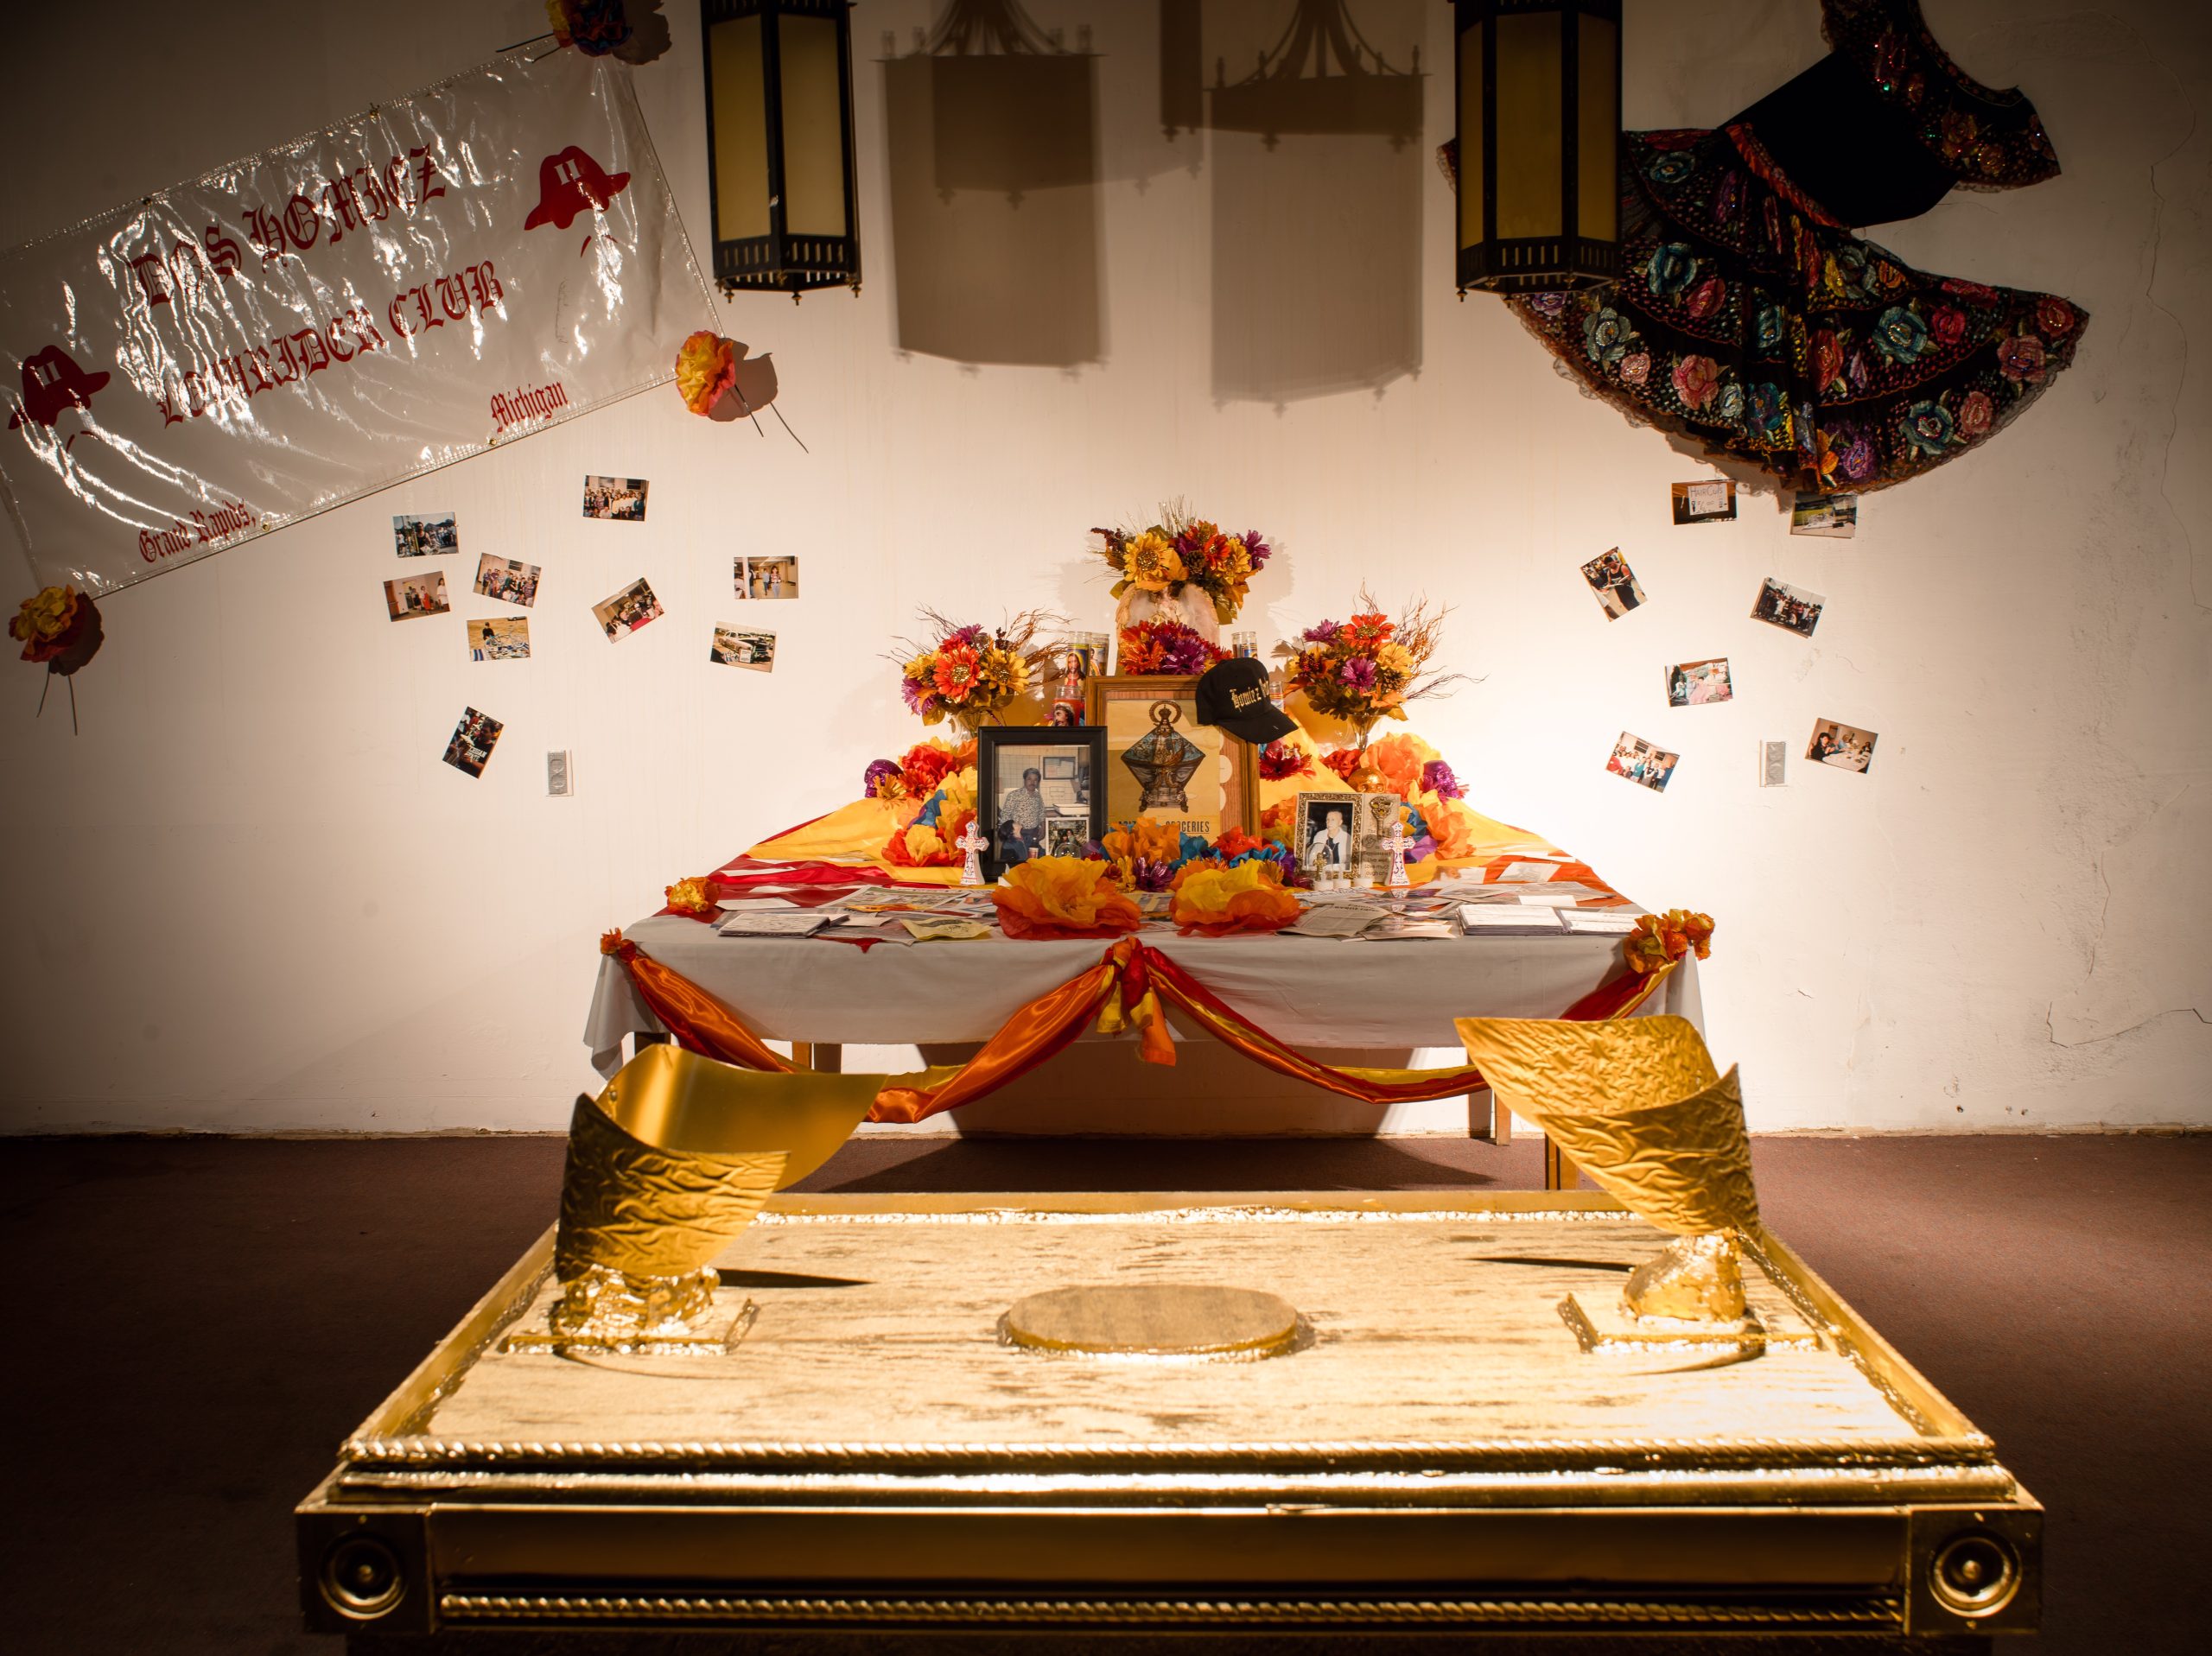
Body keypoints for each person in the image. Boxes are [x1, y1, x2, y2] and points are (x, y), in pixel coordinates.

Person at [1000, 767, 1046, 860]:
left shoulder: (1038, 795)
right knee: (1020, 859)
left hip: (1034, 833)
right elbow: (1005, 815)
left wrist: (1043, 828)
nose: (1032, 782)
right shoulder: (1014, 795)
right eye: (1029, 779)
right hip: (1018, 834)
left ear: (1038, 782)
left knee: (1034, 858)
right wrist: (1010, 834)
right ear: (1025, 780)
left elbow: (1041, 813)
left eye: (1035, 779)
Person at [1306, 808, 1351, 872]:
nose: (1329, 822)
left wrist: (1329, 868)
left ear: (1340, 822)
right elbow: (1312, 859)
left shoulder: (1347, 838)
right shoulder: (1319, 835)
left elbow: (1348, 865)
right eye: (1328, 819)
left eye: (1333, 820)